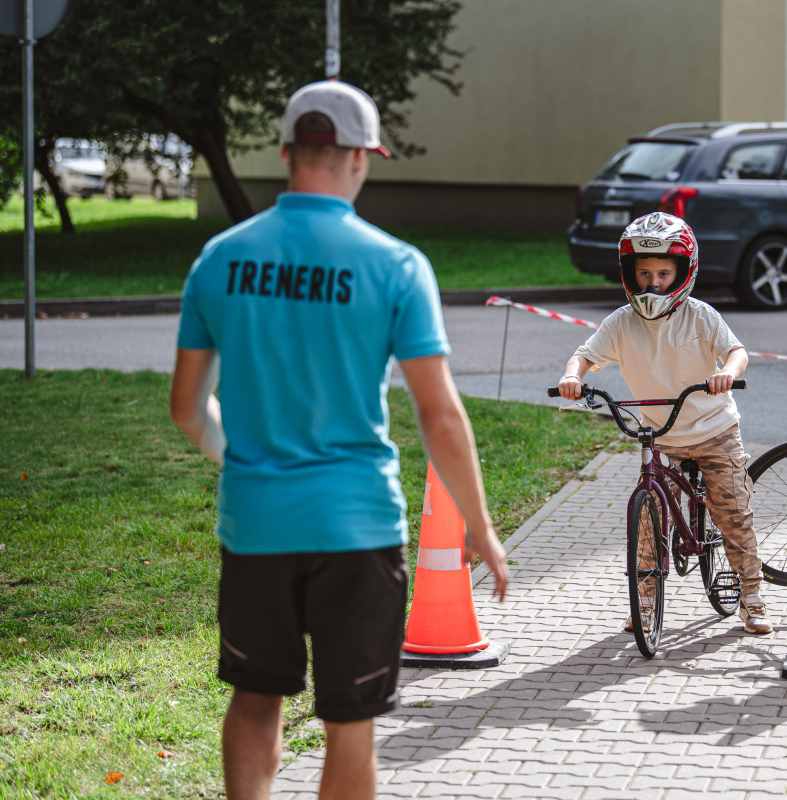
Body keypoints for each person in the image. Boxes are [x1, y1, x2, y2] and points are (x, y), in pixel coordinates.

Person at [169, 80, 509, 800]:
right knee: (349, 724)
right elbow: (440, 417)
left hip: (256, 524)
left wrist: (249, 463)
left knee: (257, 697)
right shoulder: (395, 265)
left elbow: (187, 411)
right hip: (357, 528)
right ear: (360, 157)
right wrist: (480, 527)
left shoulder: (219, 259)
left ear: (289, 152)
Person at [557, 212, 772, 635]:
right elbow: (584, 354)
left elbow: (737, 352)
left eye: (662, 273)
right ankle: (646, 599)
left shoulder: (700, 316)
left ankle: (751, 594)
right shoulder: (621, 322)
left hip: (714, 430)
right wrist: (572, 377)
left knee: (732, 511)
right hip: (661, 435)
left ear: (682, 273)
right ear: (629, 274)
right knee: (648, 516)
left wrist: (726, 371)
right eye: (643, 273)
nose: (652, 283)